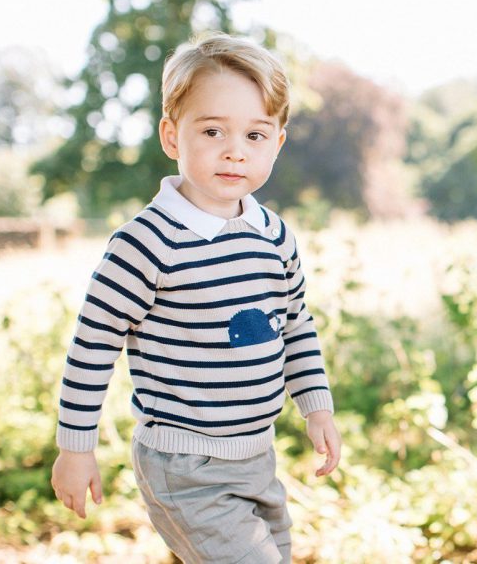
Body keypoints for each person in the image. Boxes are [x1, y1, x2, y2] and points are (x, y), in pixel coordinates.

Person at [51, 31, 341, 564]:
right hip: (184, 465)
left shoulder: (274, 236)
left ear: (277, 142)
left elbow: (296, 324)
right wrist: (76, 446)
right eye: (212, 130)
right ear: (171, 135)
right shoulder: (147, 242)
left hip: (257, 455)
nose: (234, 150)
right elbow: (93, 345)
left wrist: (316, 406)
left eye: (256, 135)